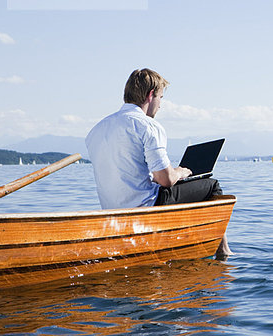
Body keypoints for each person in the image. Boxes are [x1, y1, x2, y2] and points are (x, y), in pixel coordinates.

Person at [85, 68, 232, 259]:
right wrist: (180, 172)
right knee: (212, 185)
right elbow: (165, 180)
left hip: (112, 210)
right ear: (150, 95)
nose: (160, 105)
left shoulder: (96, 130)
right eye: (161, 97)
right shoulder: (147, 125)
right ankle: (223, 252)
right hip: (145, 206)